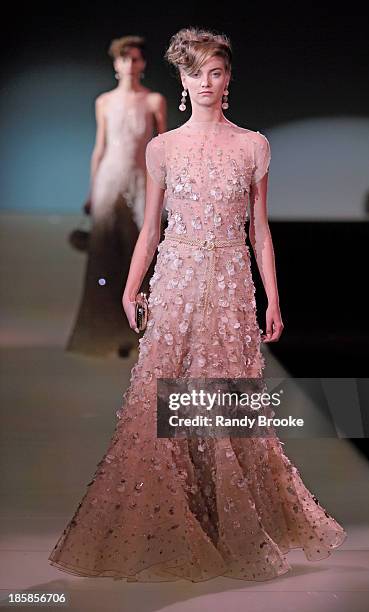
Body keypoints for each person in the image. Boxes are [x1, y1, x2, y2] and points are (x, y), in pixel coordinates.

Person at [49, 27, 347, 582]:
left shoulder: (253, 145)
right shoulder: (162, 147)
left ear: (228, 78)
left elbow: (260, 232)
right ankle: (174, 517)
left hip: (233, 283)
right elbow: (150, 228)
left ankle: (227, 521)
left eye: (215, 72)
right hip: (176, 283)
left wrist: (273, 297)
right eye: (195, 73)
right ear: (181, 81)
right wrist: (131, 284)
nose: (206, 83)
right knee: (163, 397)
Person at [66, 35, 167, 359]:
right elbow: (100, 148)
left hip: (140, 181)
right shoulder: (104, 102)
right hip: (110, 180)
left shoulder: (154, 101)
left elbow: (163, 147)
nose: (130, 65)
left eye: (136, 59)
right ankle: (107, 332)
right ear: (116, 64)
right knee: (104, 257)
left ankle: (144, 334)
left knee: (143, 257)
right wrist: (91, 190)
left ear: (143, 64)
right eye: (125, 59)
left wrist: (166, 188)